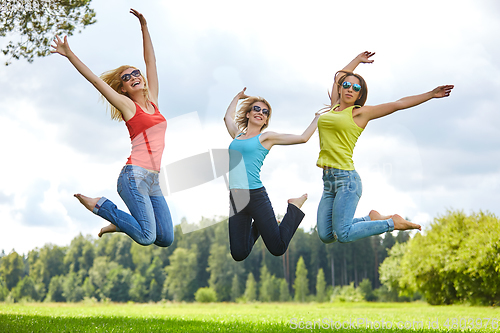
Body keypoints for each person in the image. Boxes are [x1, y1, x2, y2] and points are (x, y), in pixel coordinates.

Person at [51, 9, 173, 247]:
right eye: (127, 78)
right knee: (148, 237)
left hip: (153, 180)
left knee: (165, 238)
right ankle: (101, 205)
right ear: (124, 89)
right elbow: (96, 81)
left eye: (136, 73)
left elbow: (151, 61)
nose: (134, 76)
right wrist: (69, 54)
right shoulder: (128, 106)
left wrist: (144, 26)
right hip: (133, 176)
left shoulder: (154, 103)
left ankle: (122, 224)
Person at [316, 51, 454, 244]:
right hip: (328, 180)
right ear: (340, 89)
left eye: (356, 88)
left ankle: (391, 223)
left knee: (344, 234)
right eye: (346, 85)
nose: (350, 89)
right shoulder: (333, 108)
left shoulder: (360, 114)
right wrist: (357, 60)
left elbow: (398, 104)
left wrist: (430, 94)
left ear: (359, 95)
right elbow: (339, 75)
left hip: (346, 180)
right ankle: (370, 218)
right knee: (326, 235)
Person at [224, 88, 320, 261]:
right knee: (239, 253)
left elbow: (303, 138)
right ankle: (260, 226)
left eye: (265, 112)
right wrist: (237, 97)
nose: (261, 113)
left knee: (278, 248)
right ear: (248, 114)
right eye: (257, 109)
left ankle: (294, 207)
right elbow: (227, 117)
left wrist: (317, 119)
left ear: (266, 119)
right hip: (236, 198)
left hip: (255, 195)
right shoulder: (237, 135)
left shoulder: (266, 137)